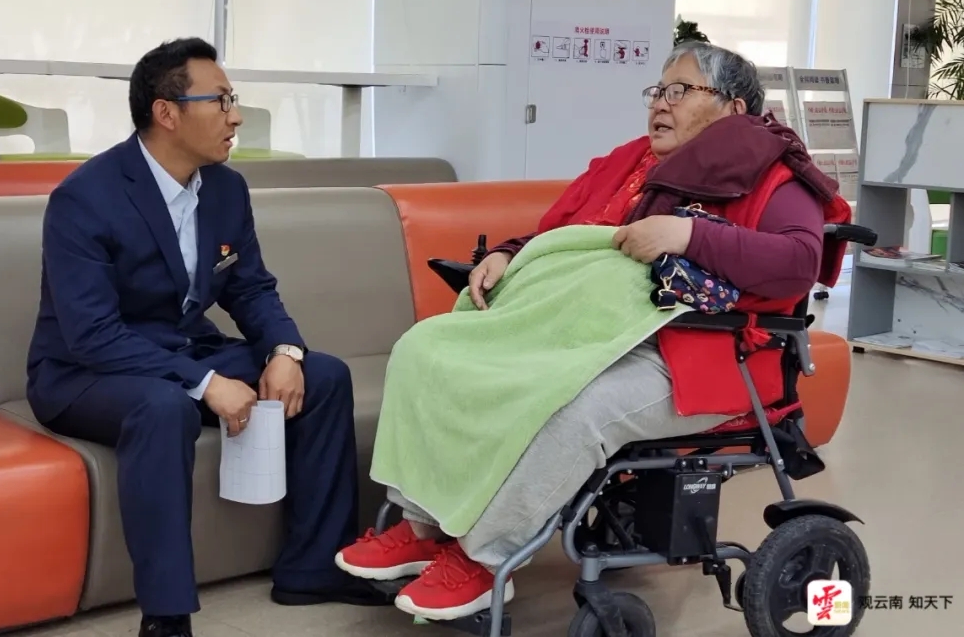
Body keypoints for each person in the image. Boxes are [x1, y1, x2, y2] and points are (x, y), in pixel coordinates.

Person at [334, 41, 851, 621]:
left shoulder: (776, 174)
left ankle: (484, 559)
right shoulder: (631, 163)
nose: (660, 103)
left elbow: (797, 262)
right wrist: (509, 254)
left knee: (572, 408)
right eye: (658, 90)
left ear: (734, 109)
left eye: (680, 91)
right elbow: (562, 232)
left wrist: (688, 235)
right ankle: (422, 525)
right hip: (580, 334)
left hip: (698, 355)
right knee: (426, 350)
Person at [26, 37, 387, 637]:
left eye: (233, 99)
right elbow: (92, 335)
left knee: (322, 377)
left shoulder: (225, 188)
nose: (235, 116)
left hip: (180, 352)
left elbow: (251, 289)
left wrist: (284, 351)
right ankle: (167, 615)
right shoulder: (84, 198)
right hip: (85, 373)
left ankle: (313, 569)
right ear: (167, 113)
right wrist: (205, 381)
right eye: (220, 101)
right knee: (165, 407)